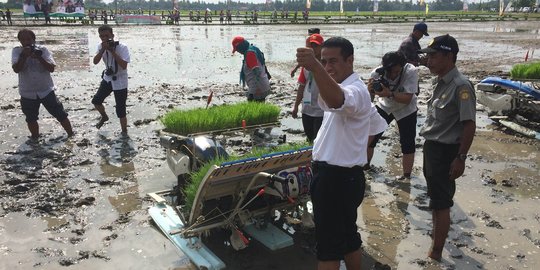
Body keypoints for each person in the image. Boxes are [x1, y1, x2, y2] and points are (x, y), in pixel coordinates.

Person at [296, 37, 372, 270]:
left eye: (333, 61)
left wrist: (316, 67)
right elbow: (377, 125)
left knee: (328, 248)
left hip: (336, 180)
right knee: (348, 238)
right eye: (324, 61)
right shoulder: (343, 87)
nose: (328, 67)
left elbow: (339, 100)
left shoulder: (355, 91)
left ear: (350, 60)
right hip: (344, 177)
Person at [418, 34, 476, 261]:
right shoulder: (440, 82)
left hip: (445, 152)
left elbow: (469, 125)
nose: (428, 61)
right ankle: (436, 241)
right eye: (428, 56)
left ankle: (436, 253)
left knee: (441, 203)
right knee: (435, 199)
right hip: (432, 148)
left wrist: (461, 157)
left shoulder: (461, 86)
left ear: (449, 56)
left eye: (433, 56)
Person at [11, 29, 74, 140]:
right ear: (20, 41)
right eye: (23, 40)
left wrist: (39, 57)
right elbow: (16, 69)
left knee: (60, 113)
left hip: (46, 90)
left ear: (34, 40)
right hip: (27, 92)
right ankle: (35, 138)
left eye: (29, 39)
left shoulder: (43, 50)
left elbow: (51, 68)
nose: (27, 42)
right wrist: (24, 56)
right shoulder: (17, 51)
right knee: (31, 118)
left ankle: (71, 133)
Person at [366, 51, 418, 179]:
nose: (393, 75)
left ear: (402, 66)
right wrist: (369, 91)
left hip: (406, 109)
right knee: (370, 136)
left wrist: (389, 93)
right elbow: (369, 99)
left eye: (396, 72)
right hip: (385, 105)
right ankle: (365, 166)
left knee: (407, 142)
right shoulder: (377, 73)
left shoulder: (410, 71)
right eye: (390, 72)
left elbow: (407, 98)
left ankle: (406, 175)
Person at [92, 25, 130, 134]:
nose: (104, 38)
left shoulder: (122, 47)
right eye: (102, 36)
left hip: (120, 80)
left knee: (120, 109)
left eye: (107, 36)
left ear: (112, 35)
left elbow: (124, 65)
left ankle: (124, 132)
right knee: (96, 101)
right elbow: (95, 61)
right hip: (108, 78)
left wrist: (112, 51)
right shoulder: (100, 46)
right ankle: (104, 116)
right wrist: (103, 49)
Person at [292, 33, 325, 143]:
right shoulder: (305, 66)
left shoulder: (327, 65)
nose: (313, 49)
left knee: (318, 140)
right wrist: (296, 106)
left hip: (322, 111)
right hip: (307, 109)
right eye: (311, 46)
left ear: (322, 47)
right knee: (310, 138)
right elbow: (301, 87)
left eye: (316, 46)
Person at [231, 36, 271, 102]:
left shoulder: (250, 54)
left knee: (254, 106)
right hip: (261, 85)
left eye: (237, 49)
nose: (237, 51)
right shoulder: (253, 49)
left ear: (241, 47)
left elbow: (257, 71)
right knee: (257, 106)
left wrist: (258, 89)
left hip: (258, 88)